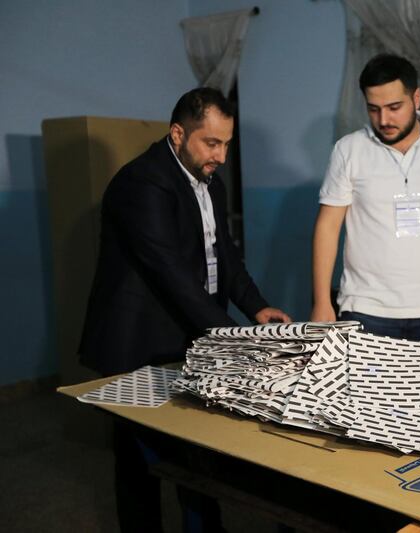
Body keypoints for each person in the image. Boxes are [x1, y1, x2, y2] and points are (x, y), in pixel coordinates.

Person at [79, 87, 290, 531]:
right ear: (178, 134)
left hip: (188, 335)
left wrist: (257, 309)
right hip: (137, 346)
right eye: (211, 143)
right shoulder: (144, 182)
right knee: (140, 465)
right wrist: (236, 341)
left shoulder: (209, 180)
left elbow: (224, 255)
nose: (221, 155)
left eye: (227, 144)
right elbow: (171, 274)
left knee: (197, 454)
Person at [310, 54, 420, 361]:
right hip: (366, 309)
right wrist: (321, 300)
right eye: (373, 109)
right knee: (367, 405)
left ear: (416, 97)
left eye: (394, 108)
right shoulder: (348, 150)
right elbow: (328, 226)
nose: (384, 120)